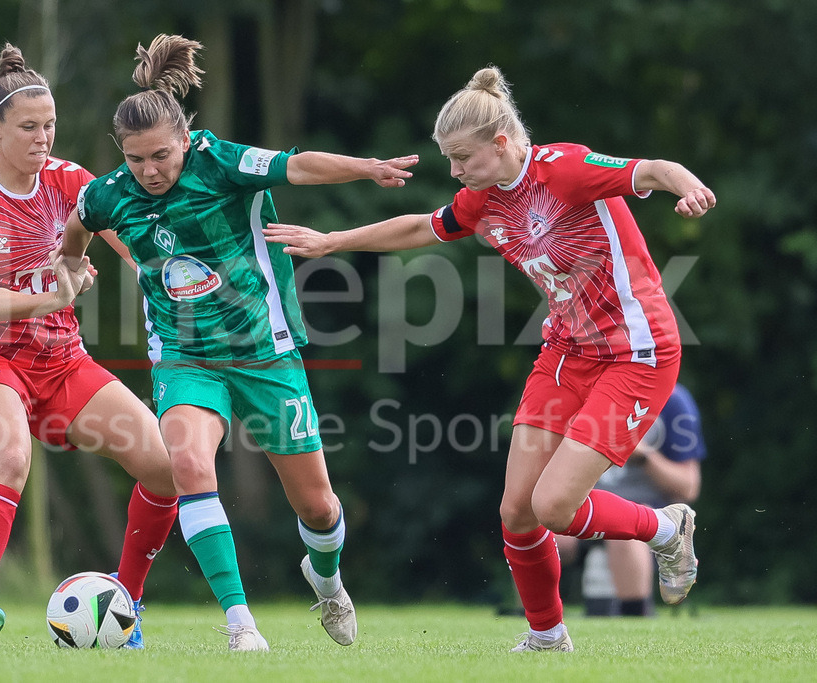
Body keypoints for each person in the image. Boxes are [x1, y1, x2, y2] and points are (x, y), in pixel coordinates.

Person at [263, 64, 716, 653]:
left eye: (462, 158)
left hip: (637, 354)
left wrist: (689, 187)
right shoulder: (483, 198)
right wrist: (332, 242)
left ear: (501, 143)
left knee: (554, 505)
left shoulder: (567, 170)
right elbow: (420, 228)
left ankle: (665, 527)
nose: (455, 172)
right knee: (517, 512)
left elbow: (652, 169)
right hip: (565, 351)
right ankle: (548, 638)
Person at [59, 34, 418, 651]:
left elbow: (295, 164)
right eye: (138, 159)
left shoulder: (217, 160)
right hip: (185, 355)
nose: (151, 171)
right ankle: (239, 623)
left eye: (162, 156)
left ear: (184, 138)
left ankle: (326, 580)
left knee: (319, 509)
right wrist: (71, 267)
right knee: (190, 465)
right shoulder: (107, 192)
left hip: (265, 350)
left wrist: (367, 168)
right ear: (122, 153)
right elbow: (76, 229)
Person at [0, 44, 179, 649]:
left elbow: (130, 240)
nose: (42, 137)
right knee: (11, 459)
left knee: (164, 466)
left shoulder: (71, 180)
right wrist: (55, 295)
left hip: (61, 361)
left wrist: (166, 279)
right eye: (28, 127)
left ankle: (126, 606)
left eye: (49, 125)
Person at [556, 382, 706, 616]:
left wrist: (643, 456)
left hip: (647, 505)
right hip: (587, 502)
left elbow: (689, 486)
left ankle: (635, 616)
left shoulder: (673, 400)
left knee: (624, 532)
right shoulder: (578, 395)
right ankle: (535, 617)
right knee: (541, 529)